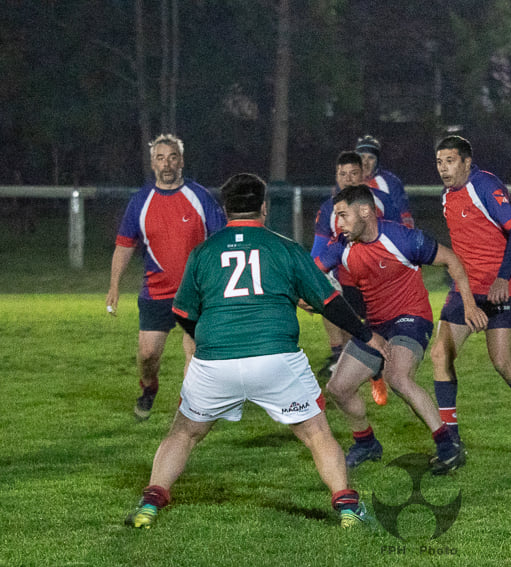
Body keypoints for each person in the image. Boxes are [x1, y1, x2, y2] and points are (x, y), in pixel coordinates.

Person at [124, 173, 388, 530]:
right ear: (264, 207)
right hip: (275, 359)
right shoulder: (285, 248)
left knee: (183, 433)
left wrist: (206, 341)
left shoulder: (204, 252)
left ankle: (149, 503)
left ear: (225, 210)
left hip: (215, 362)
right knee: (316, 432)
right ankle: (347, 508)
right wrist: (365, 334)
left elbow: (182, 312)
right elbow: (329, 302)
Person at [314, 184, 488, 474]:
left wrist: (469, 305)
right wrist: (305, 294)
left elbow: (451, 259)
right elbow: (311, 273)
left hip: (412, 318)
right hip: (375, 326)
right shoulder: (341, 247)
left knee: (397, 376)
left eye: (343, 215)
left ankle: (448, 448)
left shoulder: (403, 238)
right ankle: (366, 443)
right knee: (338, 388)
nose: (339, 223)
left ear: (365, 211)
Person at [430, 135, 511, 462]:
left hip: (500, 286)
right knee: (441, 355)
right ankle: (451, 443)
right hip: (466, 289)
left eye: (450, 161)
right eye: (440, 162)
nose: (444, 169)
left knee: (502, 362)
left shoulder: (484, 185)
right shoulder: (446, 197)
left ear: (466, 162)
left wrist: (502, 277)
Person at [106, 134, 226, 421]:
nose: (167, 164)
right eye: (160, 158)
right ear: (153, 164)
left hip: (196, 292)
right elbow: (124, 245)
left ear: (181, 161)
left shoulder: (200, 197)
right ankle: (149, 388)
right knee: (148, 355)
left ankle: (189, 412)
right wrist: (114, 286)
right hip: (155, 292)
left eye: (172, 157)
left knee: (194, 352)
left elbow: (221, 240)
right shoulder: (140, 201)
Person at [311, 150, 409, 405]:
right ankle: (347, 370)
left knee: (379, 330)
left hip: (380, 282)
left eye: (353, 173)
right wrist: (310, 281)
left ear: (363, 175)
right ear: (336, 176)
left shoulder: (381, 201)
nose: (348, 179)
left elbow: (400, 234)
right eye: (342, 174)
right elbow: (319, 248)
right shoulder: (329, 208)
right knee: (348, 328)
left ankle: (377, 372)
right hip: (347, 281)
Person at [355, 134, 414, 228]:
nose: (365, 162)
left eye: (371, 158)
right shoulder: (346, 181)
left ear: (377, 162)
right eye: (362, 157)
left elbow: (405, 217)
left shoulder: (391, 182)